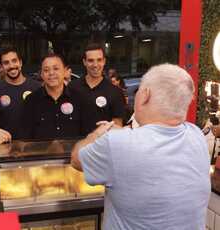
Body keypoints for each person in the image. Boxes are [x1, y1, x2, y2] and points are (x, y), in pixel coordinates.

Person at [71, 63, 211, 230]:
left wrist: (99, 133)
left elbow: (76, 158)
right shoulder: (196, 136)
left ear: (145, 94)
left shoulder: (116, 144)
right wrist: (123, 132)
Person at [68, 43, 126, 135]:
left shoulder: (115, 92)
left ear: (104, 61)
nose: (95, 65)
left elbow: (117, 127)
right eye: (91, 60)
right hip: (76, 145)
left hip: (102, 147)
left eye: (99, 60)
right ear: (84, 62)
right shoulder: (72, 87)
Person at [20, 53, 82, 140]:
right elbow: (25, 137)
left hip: (72, 153)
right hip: (41, 152)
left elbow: (86, 136)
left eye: (56, 69)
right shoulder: (31, 100)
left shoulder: (79, 98)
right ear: (41, 74)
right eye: (46, 70)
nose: (51, 73)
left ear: (65, 71)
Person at [0, 47, 41, 139]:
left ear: (20, 62)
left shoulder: (37, 88)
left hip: (34, 146)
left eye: (14, 61)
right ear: (2, 67)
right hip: (7, 147)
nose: (11, 66)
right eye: (6, 63)